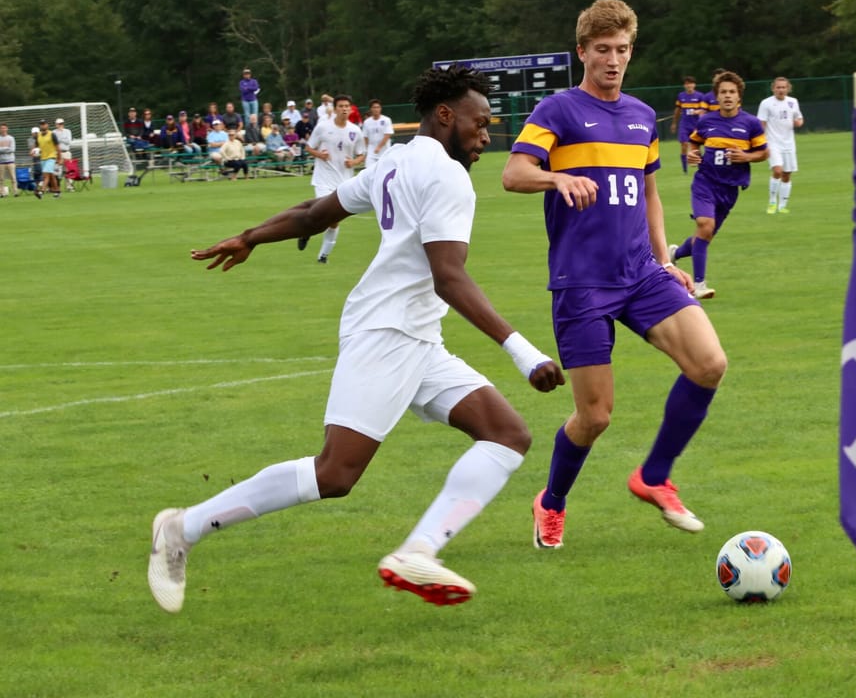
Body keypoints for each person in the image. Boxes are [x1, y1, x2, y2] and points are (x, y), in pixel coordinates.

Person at [148, 65, 564, 614]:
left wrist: (252, 236)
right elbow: (450, 276)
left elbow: (316, 213)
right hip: (386, 331)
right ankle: (183, 528)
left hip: (415, 334)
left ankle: (419, 550)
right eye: (480, 123)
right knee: (336, 473)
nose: (488, 135)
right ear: (446, 116)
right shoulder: (446, 176)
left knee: (507, 434)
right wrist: (524, 351)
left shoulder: (396, 159)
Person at [502, 0, 728, 549]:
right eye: (602, 50)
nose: (613, 60)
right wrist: (556, 180)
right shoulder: (557, 110)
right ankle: (550, 502)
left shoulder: (642, 116)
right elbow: (513, 173)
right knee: (595, 416)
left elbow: (648, 190)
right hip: (582, 283)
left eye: (622, 50)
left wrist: (666, 260)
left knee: (709, 364)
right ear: (582, 51)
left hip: (641, 274)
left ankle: (653, 476)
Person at [669, 70, 768, 298]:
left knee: (704, 236)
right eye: (723, 92)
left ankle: (674, 253)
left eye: (732, 92)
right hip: (705, 182)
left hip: (730, 189)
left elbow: (763, 152)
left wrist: (747, 157)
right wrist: (694, 155)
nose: (727, 96)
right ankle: (699, 285)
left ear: (739, 96)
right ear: (717, 95)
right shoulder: (706, 121)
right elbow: (694, 143)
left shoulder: (750, 124)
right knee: (705, 225)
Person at [301, 95, 366, 262]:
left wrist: (353, 162)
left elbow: (361, 155)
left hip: (343, 181)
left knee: (334, 221)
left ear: (350, 109)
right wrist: (319, 155)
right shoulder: (323, 127)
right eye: (341, 106)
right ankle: (305, 233)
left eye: (347, 106)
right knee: (321, 214)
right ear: (335, 108)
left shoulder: (355, 131)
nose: (344, 109)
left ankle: (323, 255)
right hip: (323, 178)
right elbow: (309, 147)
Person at [755, 76, 804, 214]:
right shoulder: (766, 103)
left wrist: (799, 122)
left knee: (787, 174)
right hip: (772, 142)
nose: (781, 90)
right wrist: (760, 142)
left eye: (783, 87)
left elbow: (799, 117)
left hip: (788, 143)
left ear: (788, 88)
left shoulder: (793, 102)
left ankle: (782, 206)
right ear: (773, 88)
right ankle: (772, 202)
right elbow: (761, 123)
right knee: (777, 171)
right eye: (778, 87)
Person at [669, 76, 706, 174]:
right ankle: (685, 170)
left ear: (694, 85)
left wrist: (697, 111)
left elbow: (704, 110)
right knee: (684, 145)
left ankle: (701, 167)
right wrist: (674, 123)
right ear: (684, 85)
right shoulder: (681, 96)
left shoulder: (700, 96)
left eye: (691, 83)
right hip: (684, 125)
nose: (689, 85)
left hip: (696, 125)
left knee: (697, 147)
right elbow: (677, 110)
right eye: (687, 83)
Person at [362, 99, 394, 168]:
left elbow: (387, 134)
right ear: (371, 109)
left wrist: (379, 147)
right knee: (369, 169)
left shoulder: (386, 120)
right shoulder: (367, 122)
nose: (376, 109)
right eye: (374, 107)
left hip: (385, 150)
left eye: (378, 107)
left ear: (380, 108)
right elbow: (365, 137)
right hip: (371, 151)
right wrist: (366, 150)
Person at [34, 119, 61, 198]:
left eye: (44, 124)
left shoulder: (52, 134)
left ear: (47, 125)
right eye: (41, 124)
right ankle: (57, 191)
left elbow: (57, 147)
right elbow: (36, 147)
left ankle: (41, 192)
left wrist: (60, 158)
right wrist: (33, 152)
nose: (43, 125)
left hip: (51, 157)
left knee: (45, 175)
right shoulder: (38, 135)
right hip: (43, 158)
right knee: (51, 176)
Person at [0, 123, 17, 198]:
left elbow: (12, 149)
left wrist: (2, 149)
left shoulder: (11, 138)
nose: (3, 129)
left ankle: (15, 192)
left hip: (10, 161)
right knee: (1, 179)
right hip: (1, 162)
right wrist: (7, 148)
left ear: (7, 129)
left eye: (4, 128)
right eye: (2, 128)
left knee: (13, 178)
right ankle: (2, 193)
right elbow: (8, 149)